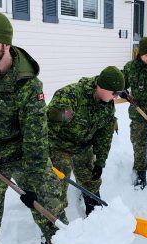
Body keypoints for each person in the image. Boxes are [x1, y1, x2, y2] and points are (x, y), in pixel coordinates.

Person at [0, 12, 81, 244]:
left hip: (23, 153)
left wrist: (35, 184)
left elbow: (36, 140)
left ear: (7, 44)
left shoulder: (28, 85)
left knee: (50, 209)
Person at [47, 66, 125, 216]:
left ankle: (94, 210)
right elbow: (48, 128)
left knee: (91, 179)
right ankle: (53, 229)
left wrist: (100, 162)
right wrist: (45, 156)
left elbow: (104, 135)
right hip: (59, 147)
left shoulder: (107, 105)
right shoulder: (70, 97)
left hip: (83, 146)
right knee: (56, 189)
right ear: (102, 87)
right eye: (115, 93)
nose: (116, 97)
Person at [123, 37, 147, 195]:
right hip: (138, 113)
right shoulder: (131, 67)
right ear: (140, 54)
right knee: (138, 146)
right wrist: (121, 89)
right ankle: (141, 176)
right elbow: (122, 82)